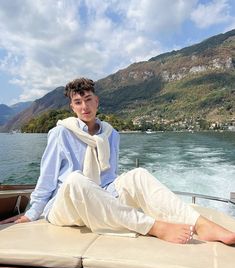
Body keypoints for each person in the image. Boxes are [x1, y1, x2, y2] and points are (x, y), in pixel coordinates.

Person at [1, 77, 235, 245]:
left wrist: (119, 193)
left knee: (137, 174)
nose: (84, 106)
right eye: (78, 102)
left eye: (88, 100)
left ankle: (201, 225)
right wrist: (32, 213)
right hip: (65, 206)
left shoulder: (111, 134)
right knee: (75, 179)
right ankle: (154, 227)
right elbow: (47, 178)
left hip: (100, 196)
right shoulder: (61, 133)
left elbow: (109, 177)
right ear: (72, 106)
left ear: (97, 101)